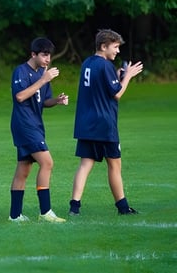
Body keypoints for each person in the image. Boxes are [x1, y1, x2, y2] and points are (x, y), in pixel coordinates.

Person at [69, 29, 144, 216]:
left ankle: (74, 207)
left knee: (85, 164)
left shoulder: (87, 63)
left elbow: (100, 86)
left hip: (86, 123)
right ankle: (123, 207)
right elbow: (116, 93)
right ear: (104, 46)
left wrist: (117, 76)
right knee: (114, 165)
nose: (118, 51)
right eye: (115, 47)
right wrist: (128, 76)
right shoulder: (105, 65)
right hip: (104, 124)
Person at [9, 37, 68, 223]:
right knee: (47, 163)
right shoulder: (21, 71)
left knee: (23, 169)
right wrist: (43, 80)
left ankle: (15, 215)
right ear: (33, 54)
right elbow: (20, 96)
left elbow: (44, 101)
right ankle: (45, 212)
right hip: (24, 125)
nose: (47, 59)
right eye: (44, 55)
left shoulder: (43, 73)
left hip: (35, 124)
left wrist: (56, 101)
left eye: (49, 55)